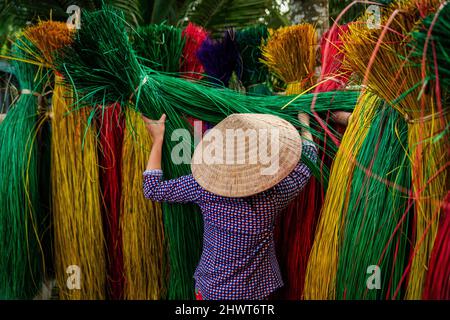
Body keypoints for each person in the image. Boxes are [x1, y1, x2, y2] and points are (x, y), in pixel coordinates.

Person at [142, 112, 317, 300]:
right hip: (255, 294)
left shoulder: (204, 187)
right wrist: (303, 120)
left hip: (212, 291)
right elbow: (308, 156)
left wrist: (158, 137)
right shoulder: (274, 196)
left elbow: (152, 189)